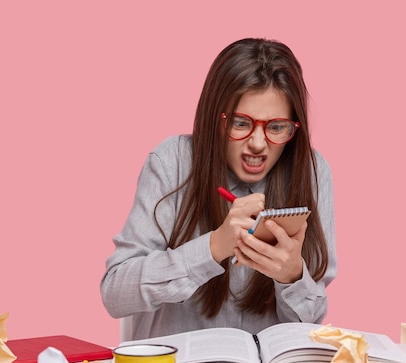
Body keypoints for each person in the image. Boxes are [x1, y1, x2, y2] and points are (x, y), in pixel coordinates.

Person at [100, 37, 337, 341]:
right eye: (241, 123)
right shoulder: (171, 161)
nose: (257, 143)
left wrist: (292, 277)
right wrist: (212, 248)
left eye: (276, 127)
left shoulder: (313, 173)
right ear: (215, 119)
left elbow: (310, 328)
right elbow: (115, 292)